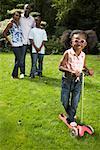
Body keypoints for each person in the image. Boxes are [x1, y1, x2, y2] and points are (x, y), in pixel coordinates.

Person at [59, 30, 94, 126]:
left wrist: (88, 70)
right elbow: (60, 67)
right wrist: (71, 72)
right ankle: (70, 114)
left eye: (82, 41)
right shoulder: (68, 53)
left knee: (75, 101)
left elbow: (83, 66)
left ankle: (71, 118)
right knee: (64, 100)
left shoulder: (83, 55)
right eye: (76, 40)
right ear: (71, 42)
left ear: (85, 44)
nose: (79, 43)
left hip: (78, 82)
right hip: (67, 80)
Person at [3, 11, 24, 79]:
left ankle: (15, 75)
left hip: (20, 43)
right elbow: (4, 33)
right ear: (13, 16)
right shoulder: (10, 24)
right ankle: (13, 74)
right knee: (20, 60)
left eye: (19, 16)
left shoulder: (20, 24)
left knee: (17, 60)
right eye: (16, 15)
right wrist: (10, 41)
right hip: (15, 44)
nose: (18, 17)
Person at [20, 4, 36, 77]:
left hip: (31, 41)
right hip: (22, 41)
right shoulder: (20, 18)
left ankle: (32, 73)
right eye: (26, 8)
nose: (27, 10)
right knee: (22, 58)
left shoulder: (32, 19)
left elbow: (34, 29)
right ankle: (22, 73)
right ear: (23, 9)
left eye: (28, 8)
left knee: (33, 58)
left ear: (30, 10)